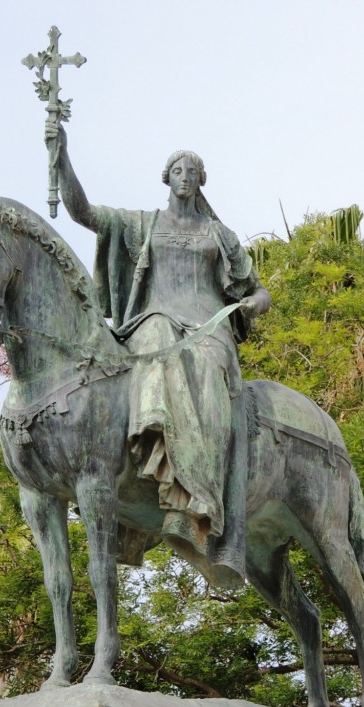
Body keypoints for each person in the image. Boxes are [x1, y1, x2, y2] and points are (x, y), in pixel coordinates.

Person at [48, 126, 271, 589]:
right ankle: (146, 447)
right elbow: (82, 211)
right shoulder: (142, 224)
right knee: (149, 342)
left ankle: (198, 499)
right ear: (166, 178)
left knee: (208, 373)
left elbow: (259, 290)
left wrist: (252, 304)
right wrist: (61, 153)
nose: (185, 176)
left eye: (192, 171)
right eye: (177, 170)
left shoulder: (220, 234)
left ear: (201, 181)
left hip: (209, 328)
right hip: (154, 320)